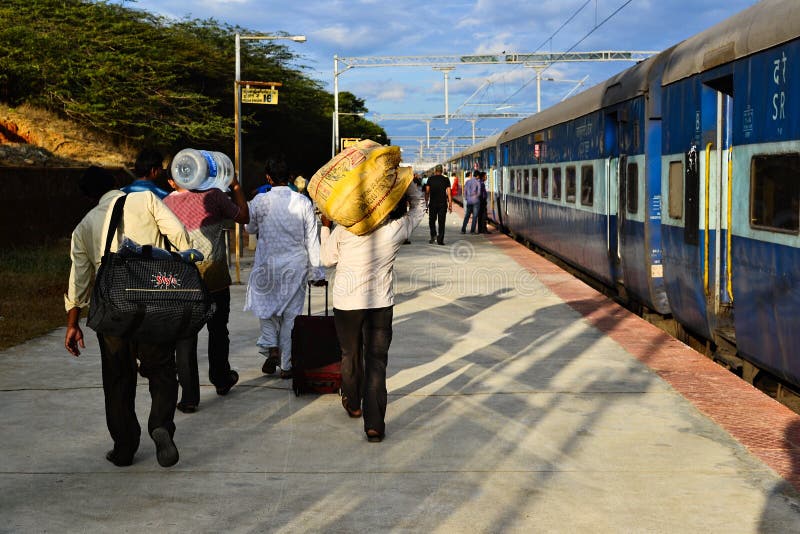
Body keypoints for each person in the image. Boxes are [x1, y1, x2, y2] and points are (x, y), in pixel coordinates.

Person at [64, 165, 191, 468]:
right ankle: (160, 425)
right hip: (154, 300)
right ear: (117, 183)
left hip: (112, 309)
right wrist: (184, 263)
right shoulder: (145, 199)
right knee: (161, 370)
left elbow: (79, 280)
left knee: (118, 377)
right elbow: (179, 235)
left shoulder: (84, 226)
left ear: (90, 196)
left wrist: (72, 324)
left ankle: (124, 447)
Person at [320, 182, 425, 442]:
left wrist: (325, 226)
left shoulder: (345, 229)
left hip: (346, 303)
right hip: (379, 304)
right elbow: (419, 208)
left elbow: (325, 259)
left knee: (349, 353)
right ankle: (374, 424)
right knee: (376, 361)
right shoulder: (395, 229)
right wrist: (407, 183)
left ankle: (353, 402)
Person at [163, 171, 250, 413]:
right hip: (215, 278)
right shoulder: (214, 196)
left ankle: (190, 397)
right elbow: (243, 216)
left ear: (172, 181)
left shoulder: (165, 204)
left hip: (182, 280)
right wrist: (235, 185)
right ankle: (222, 380)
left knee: (185, 338)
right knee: (218, 330)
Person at [245, 160, 324, 379]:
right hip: (295, 266)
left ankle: (272, 348)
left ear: (268, 178)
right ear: (290, 177)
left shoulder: (259, 201)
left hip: (267, 266)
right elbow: (311, 239)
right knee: (291, 317)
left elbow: (249, 228)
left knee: (267, 311)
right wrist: (316, 271)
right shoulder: (303, 202)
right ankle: (287, 366)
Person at [424, 164, 452, 245]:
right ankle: (440, 240)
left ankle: (433, 236)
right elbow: (449, 193)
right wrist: (450, 205)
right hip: (443, 204)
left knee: (432, 221)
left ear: (435, 171)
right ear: (442, 171)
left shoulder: (430, 179)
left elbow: (427, 192)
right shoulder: (446, 179)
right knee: (442, 222)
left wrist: (426, 203)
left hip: (433, 203)